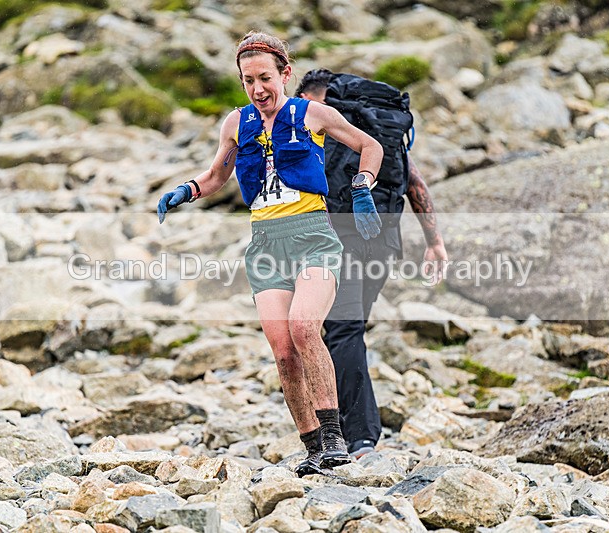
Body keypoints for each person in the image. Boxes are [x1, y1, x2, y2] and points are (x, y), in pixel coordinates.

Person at [156, 32, 385, 476]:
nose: (258, 89)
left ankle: (336, 436)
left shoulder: (312, 113)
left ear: (285, 74)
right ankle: (313, 447)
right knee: (282, 351)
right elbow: (217, 175)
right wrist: (185, 191)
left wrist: (362, 187)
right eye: (248, 81)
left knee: (304, 327)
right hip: (265, 244)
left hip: (313, 235)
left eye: (265, 78)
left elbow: (369, 146)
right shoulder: (235, 123)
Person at [296, 69, 448, 457]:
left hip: (341, 238)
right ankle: (349, 426)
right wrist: (435, 242)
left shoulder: (318, 119)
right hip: (384, 241)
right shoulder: (378, 122)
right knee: (349, 329)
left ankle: (360, 436)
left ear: (310, 95)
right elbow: (413, 182)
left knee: (342, 331)